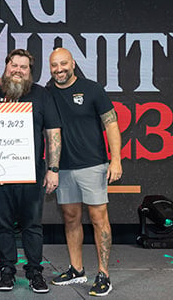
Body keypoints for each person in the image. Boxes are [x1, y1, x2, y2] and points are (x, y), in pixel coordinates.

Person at [46, 48, 122, 297]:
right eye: (54, 65)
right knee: (70, 217)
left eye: (64, 63)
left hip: (93, 164)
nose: (59, 69)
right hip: (63, 168)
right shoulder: (47, 93)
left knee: (99, 218)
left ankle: (104, 274)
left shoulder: (92, 89)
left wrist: (116, 160)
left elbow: (111, 123)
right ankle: (77, 269)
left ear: (73, 63)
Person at [0, 49, 61, 294]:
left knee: (32, 225)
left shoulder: (41, 94)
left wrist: (52, 169)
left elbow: (53, 133)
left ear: (30, 71)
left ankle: (34, 271)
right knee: (2, 224)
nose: (17, 70)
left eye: (23, 67)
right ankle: (7, 270)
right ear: (6, 67)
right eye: (13, 65)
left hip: (31, 172)